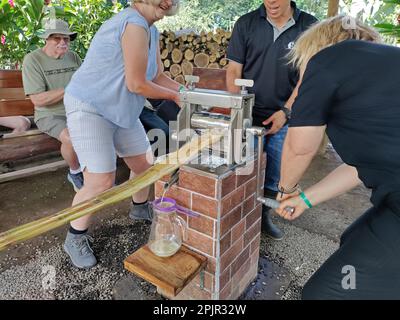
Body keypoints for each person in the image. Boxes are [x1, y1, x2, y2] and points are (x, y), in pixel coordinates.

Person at [275, 15, 400, 299]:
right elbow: (358, 167)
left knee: (322, 294)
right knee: (354, 238)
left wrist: (286, 189)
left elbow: (299, 146)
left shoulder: (326, 60)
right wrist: (304, 200)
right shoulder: (385, 70)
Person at [63, 0, 181, 269]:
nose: (168, 2)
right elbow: (137, 83)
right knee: (100, 180)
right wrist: (176, 96)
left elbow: (158, 77)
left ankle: (140, 208)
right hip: (91, 106)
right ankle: (74, 237)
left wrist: (184, 93)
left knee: (144, 165)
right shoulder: (134, 22)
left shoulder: (151, 30)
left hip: (121, 108)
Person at [226, 0, 317, 240]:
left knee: (276, 172)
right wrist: (239, 110)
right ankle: (240, 218)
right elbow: (234, 71)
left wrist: (286, 113)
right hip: (248, 113)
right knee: (246, 169)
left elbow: (307, 78)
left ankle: (263, 217)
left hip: (285, 115)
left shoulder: (309, 26)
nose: (271, 1)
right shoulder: (246, 23)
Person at [22, 19, 83, 192]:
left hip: (78, 109)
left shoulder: (73, 57)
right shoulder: (33, 60)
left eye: (67, 38)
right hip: (49, 114)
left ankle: (96, 174)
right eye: (57, 38)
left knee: (104, 128)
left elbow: (84, 82)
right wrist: (69, 89)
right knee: (72, 138)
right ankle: (75, 172)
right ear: (46, 39)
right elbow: (38, 100)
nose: (63, 42)